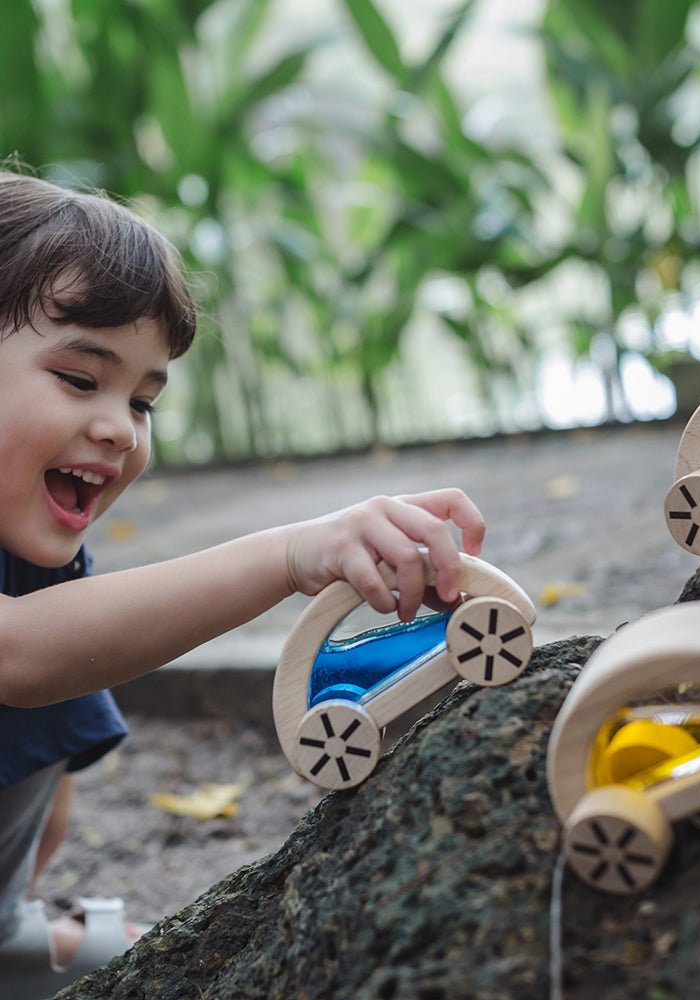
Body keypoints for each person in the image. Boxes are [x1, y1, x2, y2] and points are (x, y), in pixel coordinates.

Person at [0, 168, 486, 996]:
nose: (119, 427)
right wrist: (291, 554)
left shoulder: (39, 557)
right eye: (81, 379)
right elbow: (19, 653)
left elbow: (50, 775)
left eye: (144, 399)